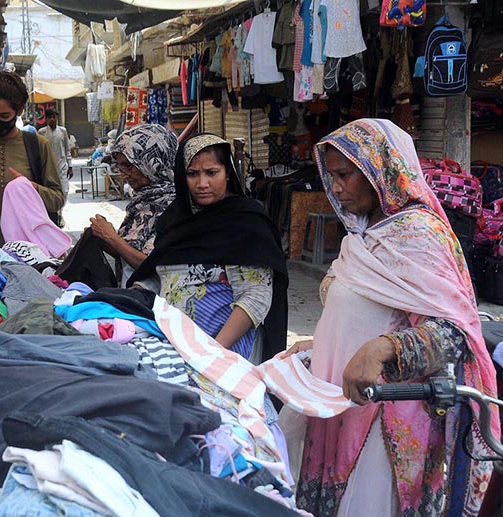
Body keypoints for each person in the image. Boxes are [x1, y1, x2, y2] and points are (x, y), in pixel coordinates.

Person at [284, 119, 499, 516]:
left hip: (386, 422)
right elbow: (366, 310)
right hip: (338, 404)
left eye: (345, 175)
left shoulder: (419, 237)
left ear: (378, 169)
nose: (336, 187)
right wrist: (323, 343)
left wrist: (382, 349)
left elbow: (455, 335)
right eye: (330, 176)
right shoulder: (363, 235)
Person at [128, 133, 288, 363]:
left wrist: (212, 352)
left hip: (226, 351)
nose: (202, 184)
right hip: (175, 344)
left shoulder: (246, 222)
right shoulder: (175, 219)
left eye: (211, 173)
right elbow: (159, 274)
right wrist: (134, 296)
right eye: (192, 174)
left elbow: (255, 297)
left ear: (227, 173)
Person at [0, 71, 64, 245]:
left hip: (29, 253)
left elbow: (57, 199)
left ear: (20, 110)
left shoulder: (37, 146)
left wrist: (31, 189)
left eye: (5, 116)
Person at [88, 124, 177, 286]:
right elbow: (129, 255)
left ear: (152, 162)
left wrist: (111, 237)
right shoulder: (143, 200)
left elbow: (150, 265)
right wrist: (102, 240)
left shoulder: (174, 206)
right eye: (120, 165)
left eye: (129, 165)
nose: (123, 172)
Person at [38, 108, 74, 222]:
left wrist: (70, 166)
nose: (53, 119)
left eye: (55, 117)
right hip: (48, 167)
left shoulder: (63, 131)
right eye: (50, 117)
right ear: (47, 119)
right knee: (51, 192)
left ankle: (60, 213)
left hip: (62, 165)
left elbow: (67, 149)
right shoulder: (42, 132)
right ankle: (53, 216)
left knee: (64, 190)